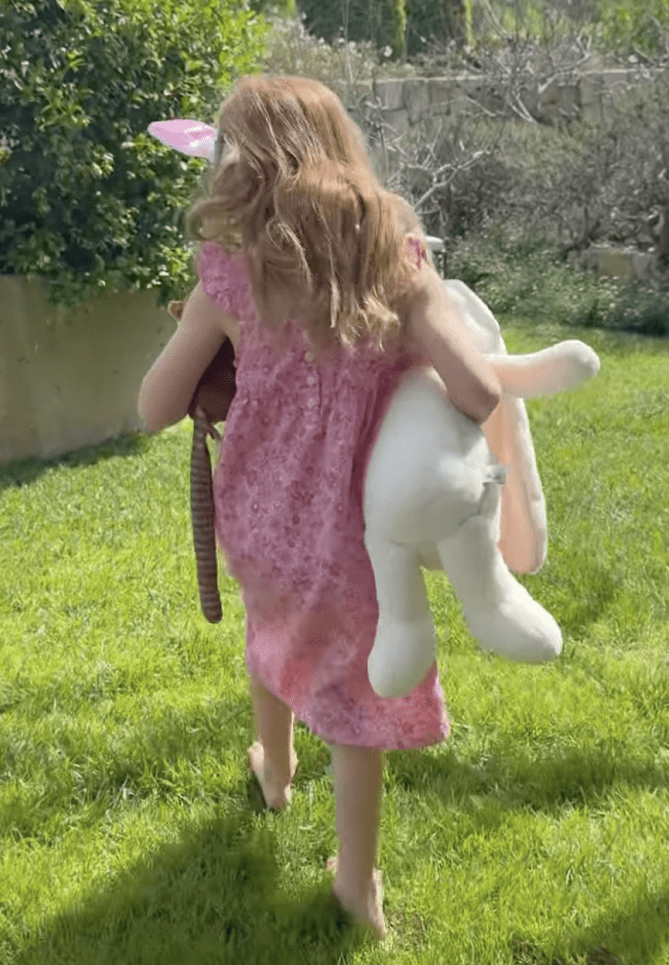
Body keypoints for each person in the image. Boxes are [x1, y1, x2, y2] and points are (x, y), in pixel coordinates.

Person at [138, 75, 501, 941]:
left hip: (259, 514)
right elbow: (481, 392)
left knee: (269, 628)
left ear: (242, 166)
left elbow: (154, 408)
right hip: (358, 529)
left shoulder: (228, 275)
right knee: (355, 701)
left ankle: (275, 766)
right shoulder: (397, 263)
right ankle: (355, 883)